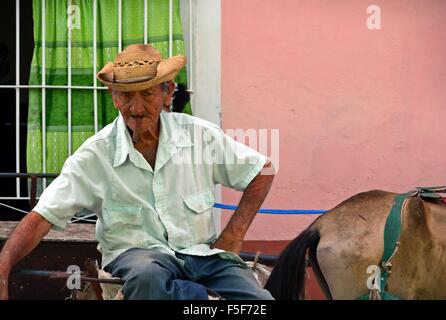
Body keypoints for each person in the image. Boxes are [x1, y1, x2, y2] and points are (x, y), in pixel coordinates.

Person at [0, 44, 276, 300]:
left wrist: (233, 235)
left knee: (259, 302)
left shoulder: (199, 136)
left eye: (147, 93)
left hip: (204, 256)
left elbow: (261, 171)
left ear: (167, 92)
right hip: (139, 260)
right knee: (149, 276)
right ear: (113, 96)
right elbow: (42, 216)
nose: (137, 108)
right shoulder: (95, 155)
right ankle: (197, 298)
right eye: (127, 95)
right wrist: (3, 267)